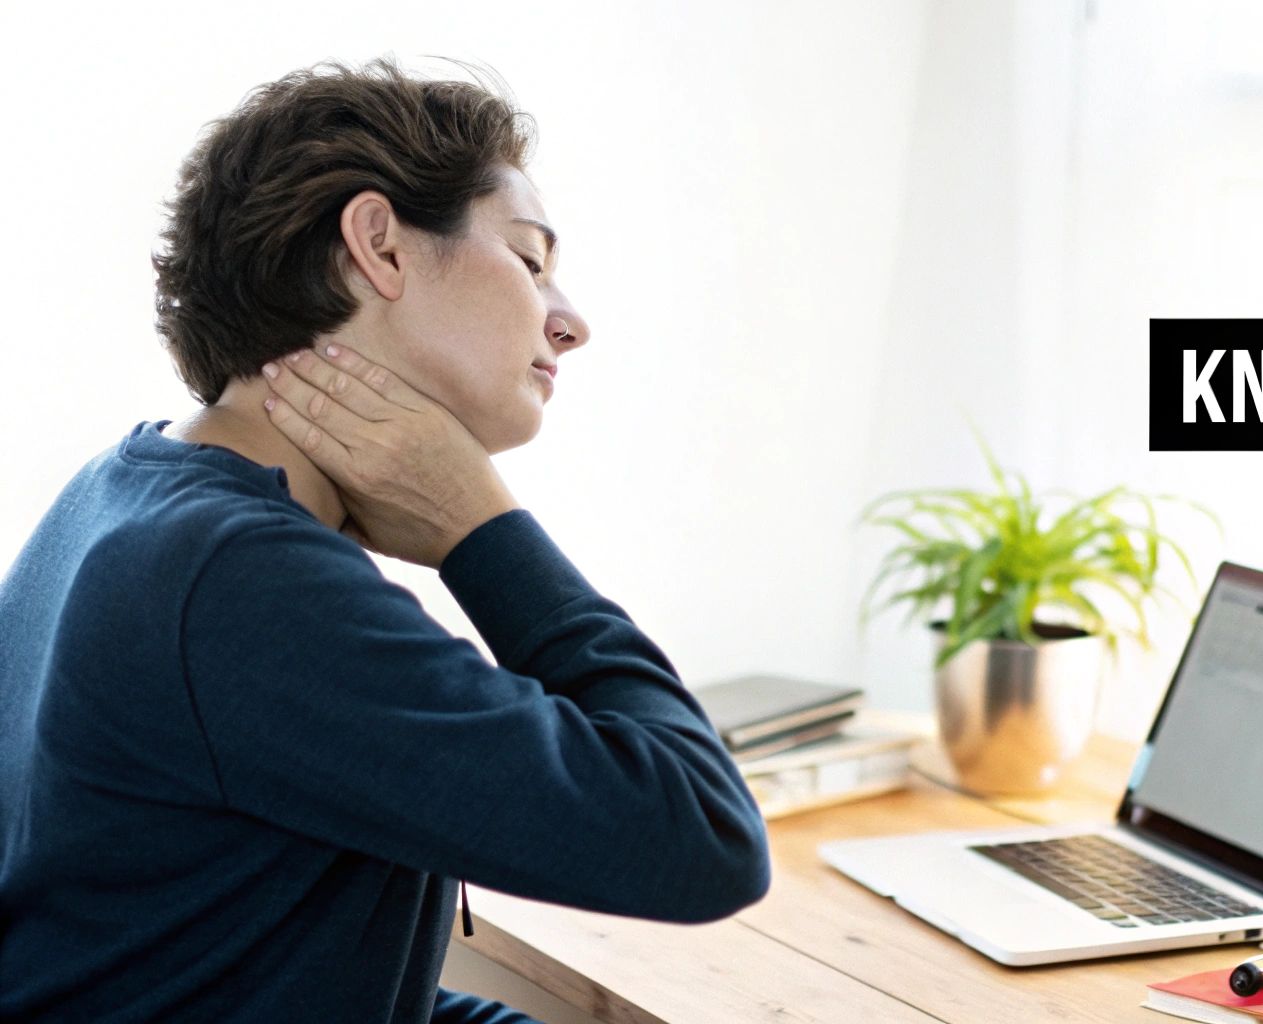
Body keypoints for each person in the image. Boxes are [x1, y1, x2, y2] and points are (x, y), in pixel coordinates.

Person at [0, 57, 771, 1022]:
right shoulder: (239, 581)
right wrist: (482, 528)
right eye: (530, 261)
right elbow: (700, 836)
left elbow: (260, 975)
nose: (570, 323)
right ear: (379, 246)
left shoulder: (128, 494)